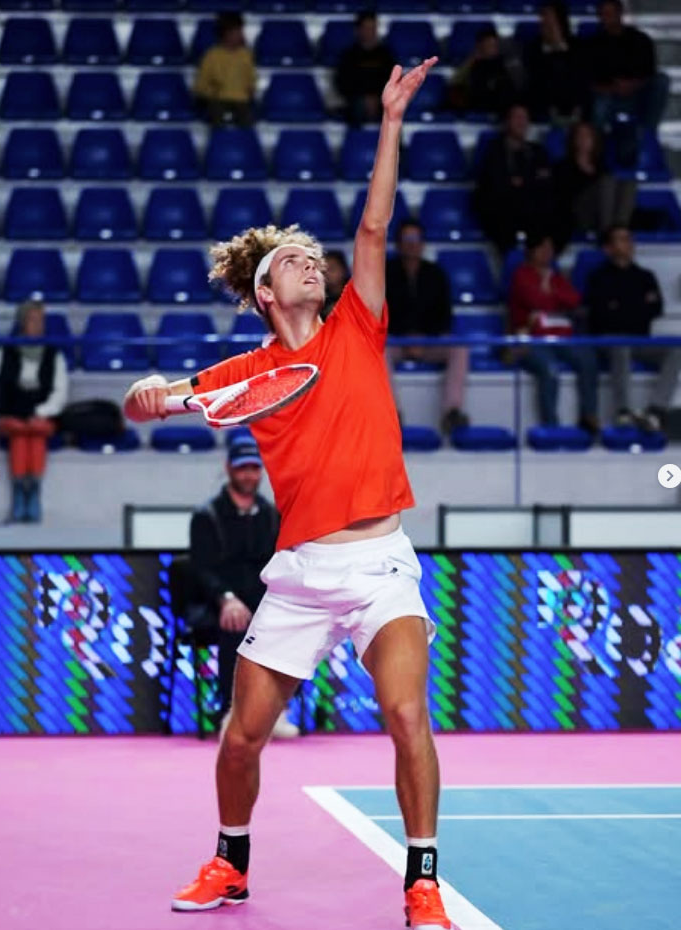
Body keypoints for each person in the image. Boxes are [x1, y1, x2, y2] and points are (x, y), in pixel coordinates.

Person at [124, 57, 451, 929]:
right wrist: (146, 395)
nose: (313, 264)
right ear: (267, 292)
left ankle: (422, 881)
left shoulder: (357, 327)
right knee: (242, 736)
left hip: (380, 564)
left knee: (405, 713)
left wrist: (390, 119)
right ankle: (230, 862)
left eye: (315, 257)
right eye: (295, 261)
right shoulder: (248, 371)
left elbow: (374, 226)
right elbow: (167, 397)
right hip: (301, 572)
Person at [190, 433, 298, 739]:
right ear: (229, 469)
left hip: (261, 598)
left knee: (291, 623)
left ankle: (276, 710)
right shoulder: (207, 516)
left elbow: (277, 561)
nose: (249, 475)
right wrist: (226, 598)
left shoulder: (270, 514)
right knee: (236, 622)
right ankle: (233, 711)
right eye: (242, 468)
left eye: (254, 468)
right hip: (217, 600)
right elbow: (202, 568)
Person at [0, 300, 68, 522]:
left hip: (41, 416)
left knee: (33, 432)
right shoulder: (4, 353)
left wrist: (41, 412)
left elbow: (60, 392)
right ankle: (22, 493)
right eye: (33, 320)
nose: (38, 325)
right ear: (22, 323)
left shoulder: (54, 356)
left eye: (41, 321)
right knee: (20, 431)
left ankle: (30, 492)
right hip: (11, 415)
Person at [586, 225, 680, 431]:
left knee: (675, 349)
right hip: (609, 340)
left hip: (640, 339)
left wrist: (621, 306)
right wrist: (638, 305)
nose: (628, 244)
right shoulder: (598, 277)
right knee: (621, 346)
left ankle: (656, 409)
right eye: (621, 239)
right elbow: (601, 315)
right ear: (608, 248)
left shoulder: (645, 276)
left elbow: (656, 308)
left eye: (629, 239)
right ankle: (623, 411)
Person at [508, 232, 599, 430]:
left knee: (588, 360)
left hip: (561, 337)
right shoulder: (521, 275)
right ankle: (551, 426)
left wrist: (550, 293)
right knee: (550, 369)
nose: (548, 252)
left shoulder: (556, 277)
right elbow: (535, 300)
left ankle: (588, 415)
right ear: (531, 251)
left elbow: (574, 300)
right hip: (531, 339)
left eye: (550, 248)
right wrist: (553, 300)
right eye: (542, 248)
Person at [386, 220, 469, 435]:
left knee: (459, 348)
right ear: (398, 243)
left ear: (423, 243)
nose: (412, 244)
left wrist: (424, 338)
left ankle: (452, 411)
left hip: (429, 341)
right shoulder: (384, 273)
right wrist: (406, 337)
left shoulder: (436, 274)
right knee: (375, 350)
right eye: (407, 239)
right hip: (396, 340)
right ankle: (391, 412)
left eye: (416, 239)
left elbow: (444, 316)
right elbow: (378, 313)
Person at [475, 103, 555, 255]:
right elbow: (495, 184)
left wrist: (521, 182)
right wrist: (529, 181)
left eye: (524, 118)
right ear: (507, 121)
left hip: (533, 212)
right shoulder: (494, 151)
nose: (521, 122)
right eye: (517, 117)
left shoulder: (538, 151)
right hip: (503, 212)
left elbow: (545, 184)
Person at [585, 0, 669, 134]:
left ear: (620, 13)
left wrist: (632, 85)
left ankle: (648, 134)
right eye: (603, 14)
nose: (606, 18)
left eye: (610, 13)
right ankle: (595, 140)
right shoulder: (592, 45)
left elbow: (649, 73)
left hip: (638, 96)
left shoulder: (640, 40)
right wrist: (612, 88)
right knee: (600, 104)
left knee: (661, 80)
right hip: (608, 98)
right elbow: (588, 81)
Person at [554, 121, 636, 245]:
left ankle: (619, 230)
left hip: (600, 213)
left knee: (628, 182)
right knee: (606, 182)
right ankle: (607, 234)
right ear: (573, 139)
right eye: (580, 135)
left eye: (587, 136)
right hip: (578, 215)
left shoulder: (601, 167)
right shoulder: (563, 167)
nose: (583, 140)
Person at [523, 1, 587, 123]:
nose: (546, 23)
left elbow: (580, 76)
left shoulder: (578, 47)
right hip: (544, 102)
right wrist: (550, 48)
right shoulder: (534, 48)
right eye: (544, 18)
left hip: (574, 103)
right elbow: (535, 78)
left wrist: (559, 46)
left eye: (551, 19)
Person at [193, 12, 255, 127]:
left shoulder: (246, 55)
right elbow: (200, 86)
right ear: (225, 34)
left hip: (241, 101)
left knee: (247, 119)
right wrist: (213, 92)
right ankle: (218, 138)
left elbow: (251, 80)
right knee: (216, 115)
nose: (240, 35)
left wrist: (250, 90)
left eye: (240, 31)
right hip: (218, 100)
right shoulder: (211, 56)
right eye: (236, 32)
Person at [335, 10, 396, 127]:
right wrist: (364, 98)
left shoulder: (386, 55)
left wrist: (377, 98)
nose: (370, 32)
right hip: (356, 101)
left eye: (373, 28)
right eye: (366, 28)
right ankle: (357, 138)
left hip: (382, 101)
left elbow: (393, 81)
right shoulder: (349, 56)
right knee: (357, 109)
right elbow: (342, 83)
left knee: (393, 112)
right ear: (358, 30)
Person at [450, 25, 517, 116]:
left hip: (501, 110)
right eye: (488, 44)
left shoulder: (504, 64)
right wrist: (472, 60)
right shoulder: (472, 64)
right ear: (480, 46)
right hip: (475, 108)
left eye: (494, 45)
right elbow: (455, 82)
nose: (492, 48)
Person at [322, 249, 349, 319]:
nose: (327, 274)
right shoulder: (318, 297)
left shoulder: (357, 294)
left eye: (332, 269)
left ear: (343, 270)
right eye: (323, 270)